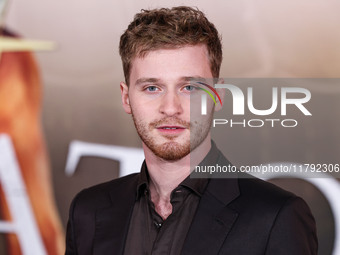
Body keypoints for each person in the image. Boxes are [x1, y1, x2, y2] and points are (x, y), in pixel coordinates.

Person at [65, 6, 317, 255]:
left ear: (218, 95)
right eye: (152, 88)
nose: (170, 108)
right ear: (126, 97)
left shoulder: (277, 217)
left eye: (190, 88)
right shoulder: (88, 211)